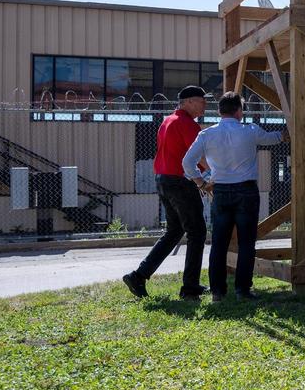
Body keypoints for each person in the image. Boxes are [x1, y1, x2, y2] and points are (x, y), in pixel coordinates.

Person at [182, 92, 286, 302]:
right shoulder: (250, 131)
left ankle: (217, 292)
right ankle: (243, 290)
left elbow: (187, 163)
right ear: (239, 111)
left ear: (220, 111)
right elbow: (273, 138)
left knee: (219, 242)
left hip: (220, 189)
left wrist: (201, 182)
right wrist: (285, 133)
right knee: (247, 242)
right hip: (246, 190)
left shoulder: (207, 134)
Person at [122, 86, 210, 301]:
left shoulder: (167, 121)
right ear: (188, 102)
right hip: (180, 182)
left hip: (163, 179)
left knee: (174, 231)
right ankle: (190, 288)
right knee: (197, 232)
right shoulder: (188, 124)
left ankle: (139, 276)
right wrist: (215, 174)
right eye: (201, 101)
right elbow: (198, 156)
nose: (204, 105)